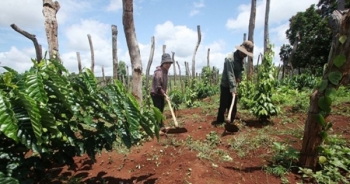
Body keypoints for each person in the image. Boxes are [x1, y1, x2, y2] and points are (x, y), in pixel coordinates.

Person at [212, 40, 254, 127]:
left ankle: (231, 121)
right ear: (240, 50)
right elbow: (230, 75)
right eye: (244, 53)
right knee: (223, 104)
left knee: (233, 104)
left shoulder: (241, 59)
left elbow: (240, 70)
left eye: (246, 54)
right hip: (226, 84)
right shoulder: (230, 59)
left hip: (234, 84)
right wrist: (233, 89)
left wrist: (239, 78)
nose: (244, 55)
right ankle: (219, 121)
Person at [150, 53, 173, 135]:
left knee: (161, 111)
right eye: (166, 63)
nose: (168, 65)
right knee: (158, 111)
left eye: (169, 63)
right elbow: (158, 87)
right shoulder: (158, 73)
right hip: (156, 94)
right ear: (162, 63)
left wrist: (165, 94)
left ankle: (161, 127)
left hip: (160, 94)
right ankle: (157, 129)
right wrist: (165, 94)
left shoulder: (165, 71)